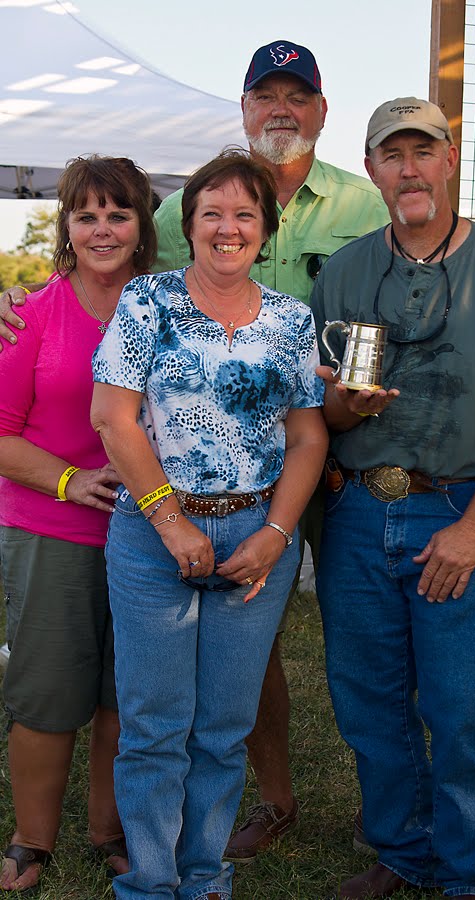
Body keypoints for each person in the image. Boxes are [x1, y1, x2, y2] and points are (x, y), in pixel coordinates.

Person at [0, 39, 475, 862]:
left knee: (379, 665)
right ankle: (269, 804)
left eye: (299, 96)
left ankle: (426, 842)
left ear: (322, 113)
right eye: (266, 96)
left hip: (331, 461)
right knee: (286, 665)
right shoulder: (182, 218)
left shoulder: (371, 206)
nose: (281, 109)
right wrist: (26, 298)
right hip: (214, 483)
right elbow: (119, 280)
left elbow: (447, 254)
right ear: (247, 108)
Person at [311, 97, 475, 900]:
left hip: (455, 510)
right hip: (356, 510)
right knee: (368, 701)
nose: (409, 169)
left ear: (449, 161)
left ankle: (469, 871)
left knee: (459, 707)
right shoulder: (347, 269)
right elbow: (321, 406)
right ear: (374, 169)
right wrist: (349, 406)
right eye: (393, 155)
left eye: (424, 152)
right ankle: (402, 850)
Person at [89, 148, 328, 900]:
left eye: (245, 215)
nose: (229, 228)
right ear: (188, 226)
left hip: (255, 533)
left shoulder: (291, 319)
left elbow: (308, 436)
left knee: (223, 727)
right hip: (154, 535)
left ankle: (205, 878)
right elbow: (112, 418)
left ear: (266, 229)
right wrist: (170, 523)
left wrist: (277, 534)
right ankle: (150, 885)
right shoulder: (146, 302)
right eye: (212, 214)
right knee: (156, 726)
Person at [0, 155, 158, 895]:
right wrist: (70, 480)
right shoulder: (29, 314)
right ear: (67, 224)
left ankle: (110, 831)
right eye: (87, 214)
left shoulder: (165, 310)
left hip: (149, 533)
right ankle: (32, 839)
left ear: (141, 226)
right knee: (48, 692)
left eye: (118, 213)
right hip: (50, 530)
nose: (102, 228)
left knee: (124, 695)